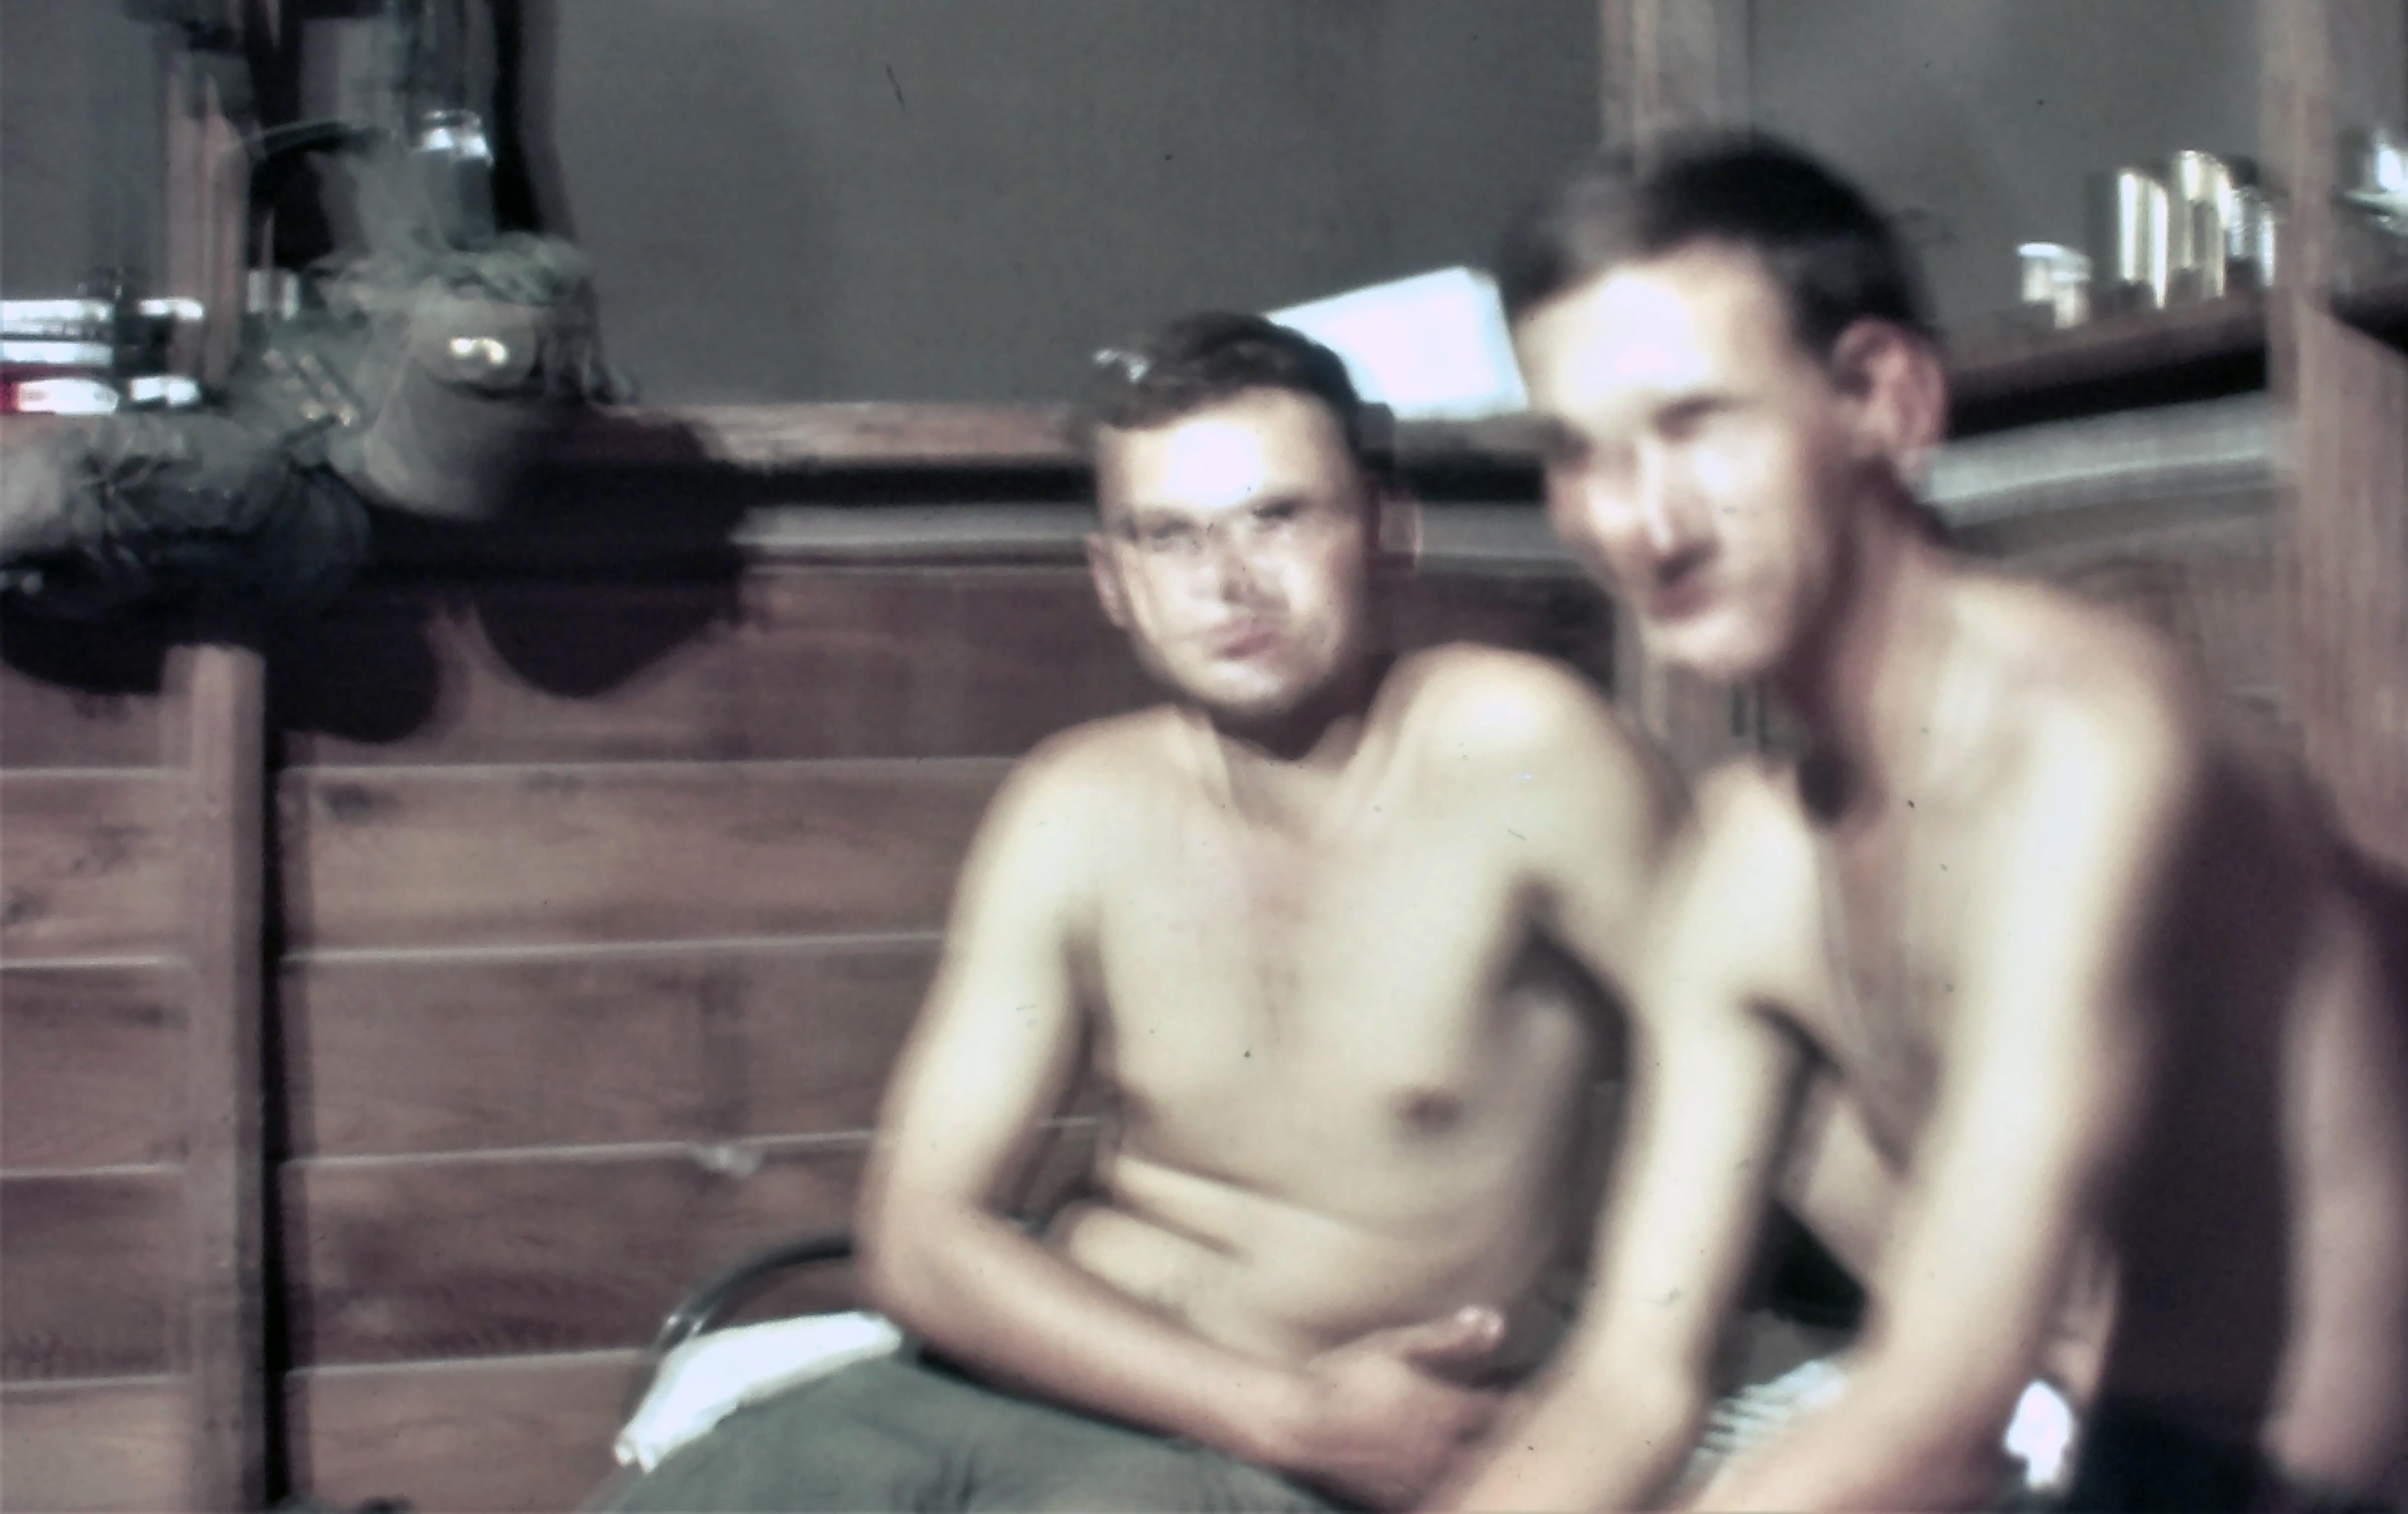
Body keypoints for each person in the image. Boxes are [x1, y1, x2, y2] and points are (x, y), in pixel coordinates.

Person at [1444, 134, 2408, 1514]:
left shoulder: (2087, 748)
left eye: (1695, 425)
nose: (1641, 522)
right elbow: (1628, 1380)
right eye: (1582, 455)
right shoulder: (1749, 861)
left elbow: (1934, 1414)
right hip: (2058, 1466)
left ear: (1882, 397)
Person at [615, 312, 1676, 1513]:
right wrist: (1290, 1414)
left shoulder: (1518, 748)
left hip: (1251, 1463)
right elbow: (918, 1234)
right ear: (1113, 584)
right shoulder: (1078, 801)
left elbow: (1774, 1073)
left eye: (1278, 517)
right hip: (1036, 1380)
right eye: (1167, 536)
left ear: (1386, 534)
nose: (1229, 581)